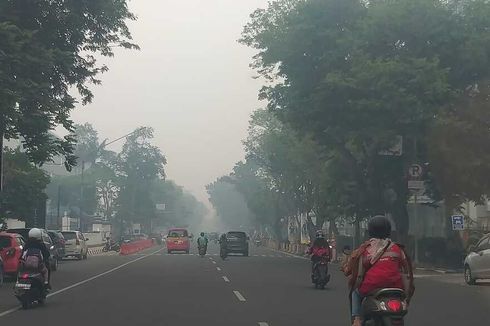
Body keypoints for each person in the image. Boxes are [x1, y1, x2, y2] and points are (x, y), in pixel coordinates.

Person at [342, 216, 414, 326]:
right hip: (396, 288)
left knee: (355, 292)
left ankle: (356, 320)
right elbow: (407, 271)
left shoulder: (365, 249)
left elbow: (354, 270)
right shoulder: (397, 249)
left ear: (370, 231)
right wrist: (407, 296)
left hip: (370, 287)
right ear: (389, 230)